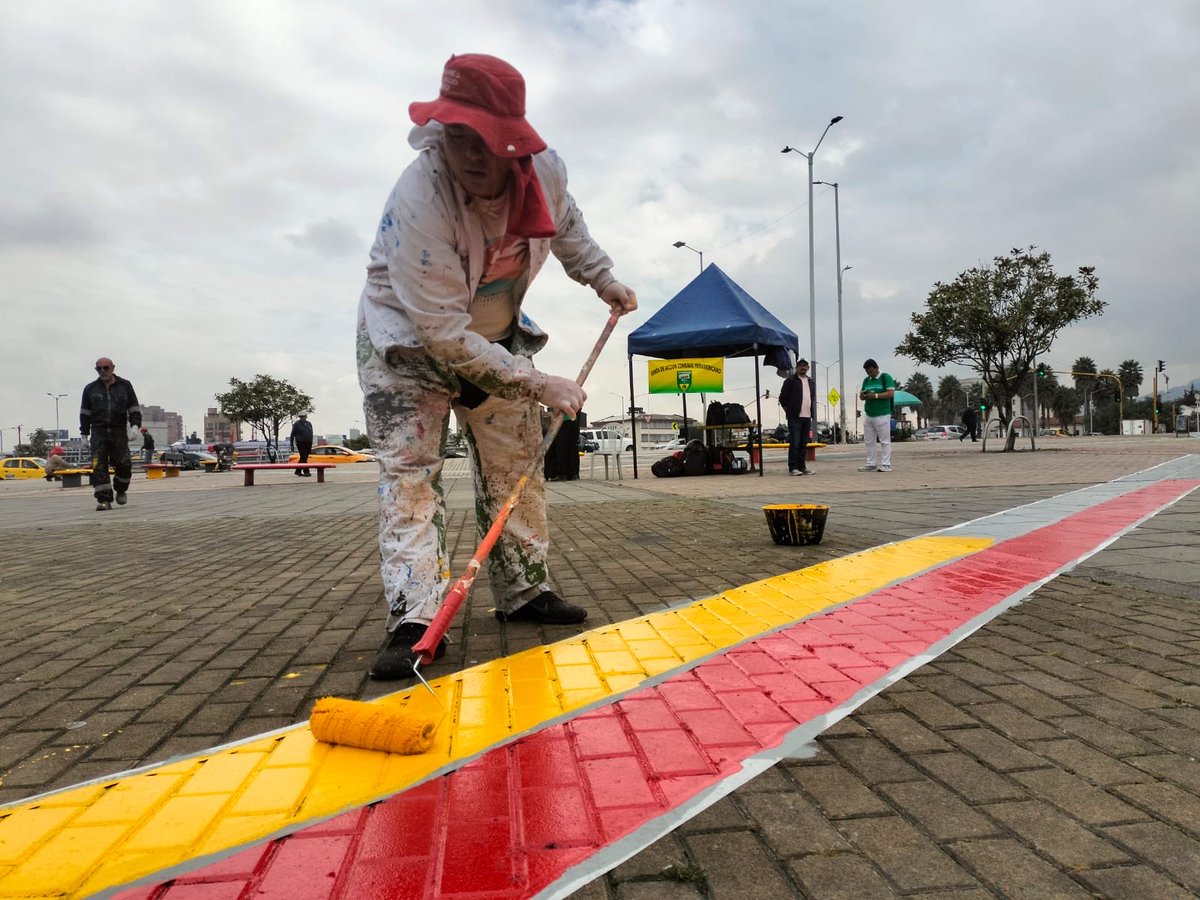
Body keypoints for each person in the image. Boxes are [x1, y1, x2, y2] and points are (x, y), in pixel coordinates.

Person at [356, 53, 637, 680]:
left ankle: (525, 590)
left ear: (518, 142)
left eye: (489, 142)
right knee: (410, 478)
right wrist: (540, 382)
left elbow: (566, 225)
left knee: (517, 467)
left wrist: (602, 278)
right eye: (459, 140)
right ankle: (415, 618)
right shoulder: (419, 200)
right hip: (410, 344)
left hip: (497, 335)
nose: (473, 157)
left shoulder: (547, 172)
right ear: (441, 136)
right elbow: (443, 335)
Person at [80, 357, 142, 510]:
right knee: (98, 466)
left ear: (113, 368)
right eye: (98, 369)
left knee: (124, 464)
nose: (102, 371)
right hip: (98, 432)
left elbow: (134, 408)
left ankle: (121, 488)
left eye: (105, 368)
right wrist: (84, 434)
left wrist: (134, 426)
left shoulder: (125, 386)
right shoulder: (90, 389)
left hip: (118, 431)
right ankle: (104, 500)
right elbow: (85, 413)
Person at [858, 359, 896, 473]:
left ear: (876, 368)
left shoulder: (885, 377)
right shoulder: (866, 380)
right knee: (869, 441)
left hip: (882, 413)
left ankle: (886, 464)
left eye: (871, 371)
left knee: (884, 440)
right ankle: (871, 463)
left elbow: (890, 393)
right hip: (869, 413)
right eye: (867, 372)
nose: (870, 374)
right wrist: (863, 395)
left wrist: (875, 395)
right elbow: (862, 395)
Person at [778, 358, 815, 476]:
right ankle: (793, 467)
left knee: (804, 443)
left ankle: (802, 467)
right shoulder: (791, 381)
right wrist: (789, 412)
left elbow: (811, 398)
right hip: (795, 417)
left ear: (808, 368)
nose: (803, 368)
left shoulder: (811, 382)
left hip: (807, 416)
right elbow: (782, 398)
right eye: (800, 366)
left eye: (805, 366)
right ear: (797, 368)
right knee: (795, 443)